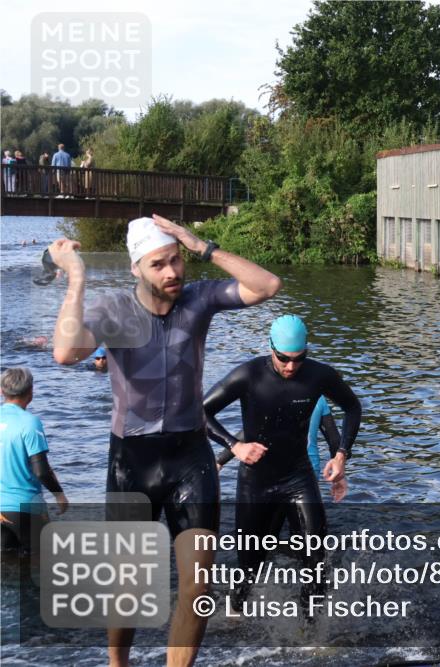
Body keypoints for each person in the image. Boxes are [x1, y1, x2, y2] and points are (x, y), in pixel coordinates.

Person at [47, 214, 282, 667]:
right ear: (136, 268)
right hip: (132, 461)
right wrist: (76, 279)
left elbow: (268, 284)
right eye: (159, 264)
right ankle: (119, 663)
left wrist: (202, 247)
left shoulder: (199, 299)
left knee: (198, 586)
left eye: (175, 261)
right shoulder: (113, 309)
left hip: (189, 456)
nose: (172, 271)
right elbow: (64, 351)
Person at [203, 315, 361, 602]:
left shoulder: (319, 376)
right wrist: (234, 446)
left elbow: (353, 407)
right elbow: (200, 412)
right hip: (256, 483)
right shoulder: (248, 375)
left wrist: (341, 457)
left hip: (298, 477)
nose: (291, 366)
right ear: (271, 348)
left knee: (317, 558)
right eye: (283, 358)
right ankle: (236, 612)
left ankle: (310, 633)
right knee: (250, 567)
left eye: (299, 359)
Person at [0, 368, 69, 557]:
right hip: (26, 508)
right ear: (30, 392)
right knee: (42, 565)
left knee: (7, 568)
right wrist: (59, 495)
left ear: (1, 391)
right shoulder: (30, 423)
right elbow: (41, 470)